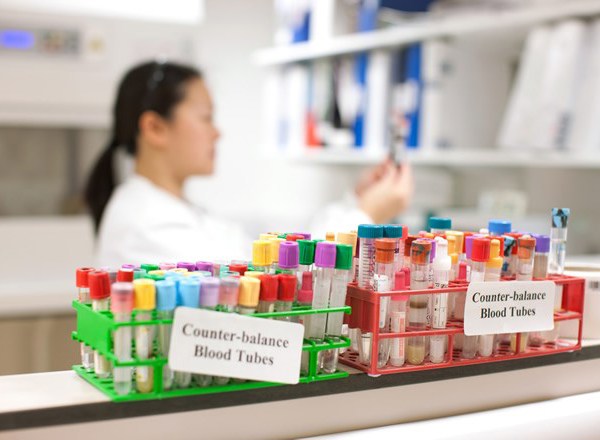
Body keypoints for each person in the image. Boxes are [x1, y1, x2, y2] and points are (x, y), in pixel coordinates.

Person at [86, 61, 413, 266]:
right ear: (155, 128)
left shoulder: (171, 210)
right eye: (206, 118)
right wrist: (365, 215)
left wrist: (356, 202)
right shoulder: (145, 224)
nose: (217, 132)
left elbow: (277, 253)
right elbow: (272, 280)